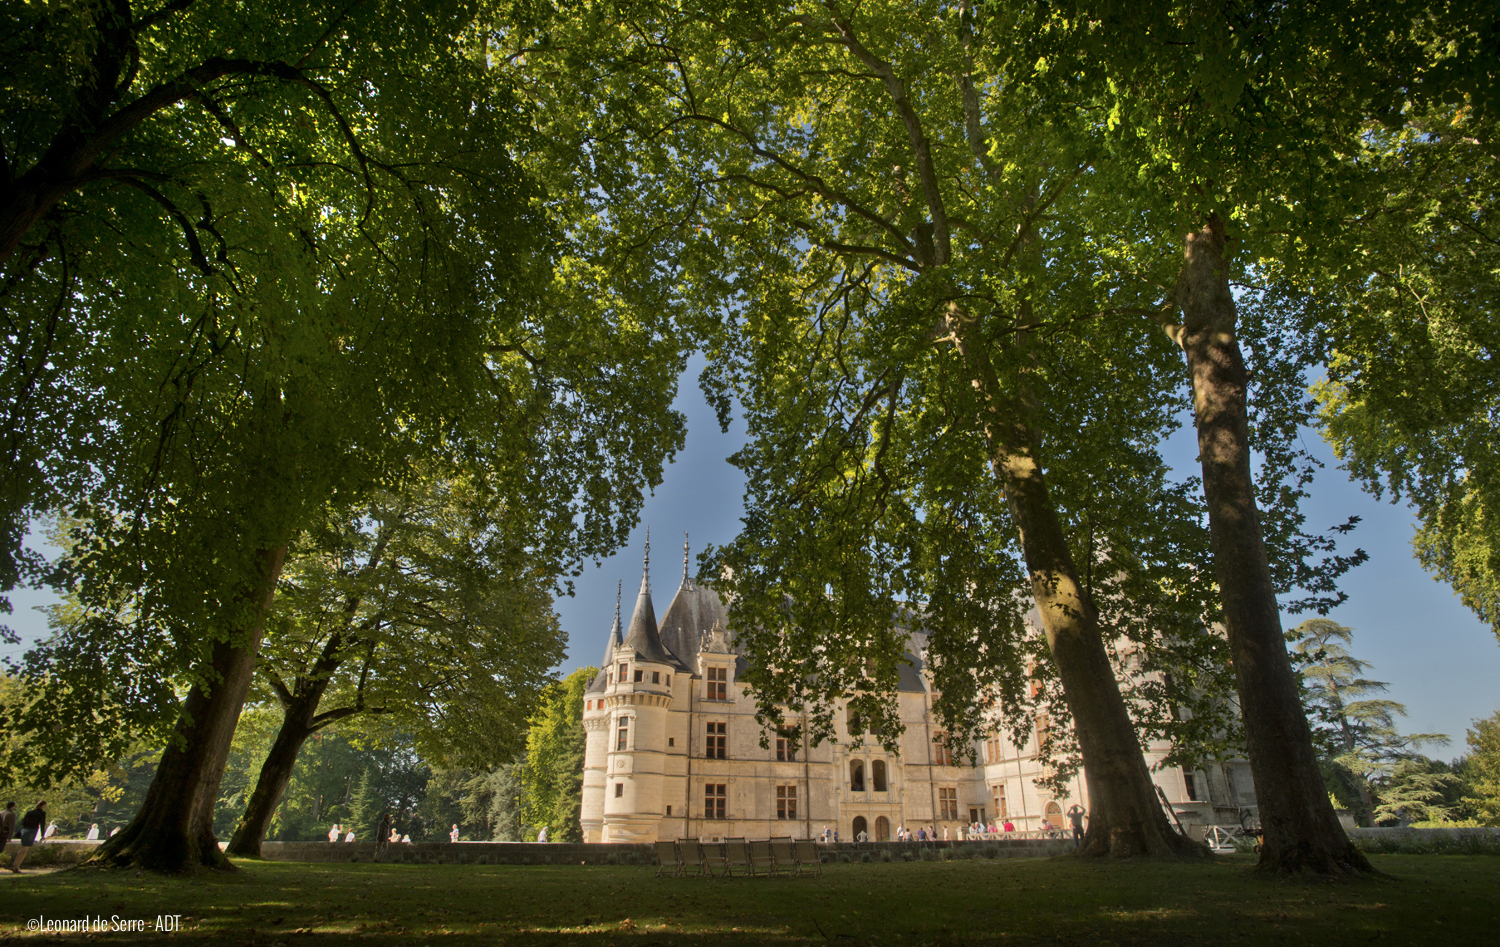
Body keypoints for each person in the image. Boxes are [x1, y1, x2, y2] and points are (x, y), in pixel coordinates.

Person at [11, 800, 46, 872]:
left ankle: (15, 864)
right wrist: (42, 835)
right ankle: (16, 866)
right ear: (43, 806)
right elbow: (42, 824)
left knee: (22, 848)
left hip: (24, 830)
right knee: (25, 850)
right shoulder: (42, 813)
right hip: (32, 831)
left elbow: (23, 822)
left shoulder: (30, 812)